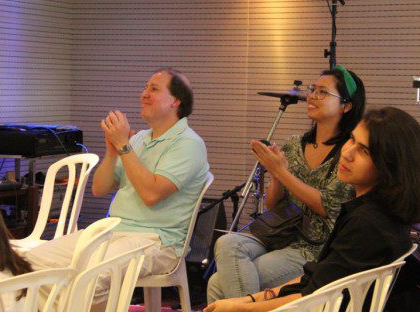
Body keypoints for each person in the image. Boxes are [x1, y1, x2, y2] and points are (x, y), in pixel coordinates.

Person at [204, 106, 420, 312]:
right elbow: (319, 276)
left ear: (388, 165)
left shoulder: (368, 223)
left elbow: (314, 296)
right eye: (352, 139)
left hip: (318, 283)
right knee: (223, 259)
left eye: (363, 151)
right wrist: (251, 299)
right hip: (299, 259)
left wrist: (243, 308)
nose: (347, 153)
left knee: (221, 288)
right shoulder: (373, 209)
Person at [26, 67, 210, 305]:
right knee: (30, 264)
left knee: (88, 278)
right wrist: (113, 152)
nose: (144, 94)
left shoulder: (188, 144)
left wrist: (123, 144)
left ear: (175, 101)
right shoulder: (140, 139)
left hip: (157, 241)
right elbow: (100, 188)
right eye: (145, 87)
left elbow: (151, 194)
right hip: (112, 231)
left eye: (154, 89)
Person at [207, 66, 366, 302]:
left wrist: (280, 171)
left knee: (217, 283)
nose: (311, 96)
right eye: (312, 89)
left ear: (346, 105)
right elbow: (273, 205)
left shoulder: (348, 151)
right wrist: (276, 173)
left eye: (322, 92)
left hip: (314, 248)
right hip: (281, 236)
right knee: (227, 242)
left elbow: (329, 206)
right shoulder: (294, 144)